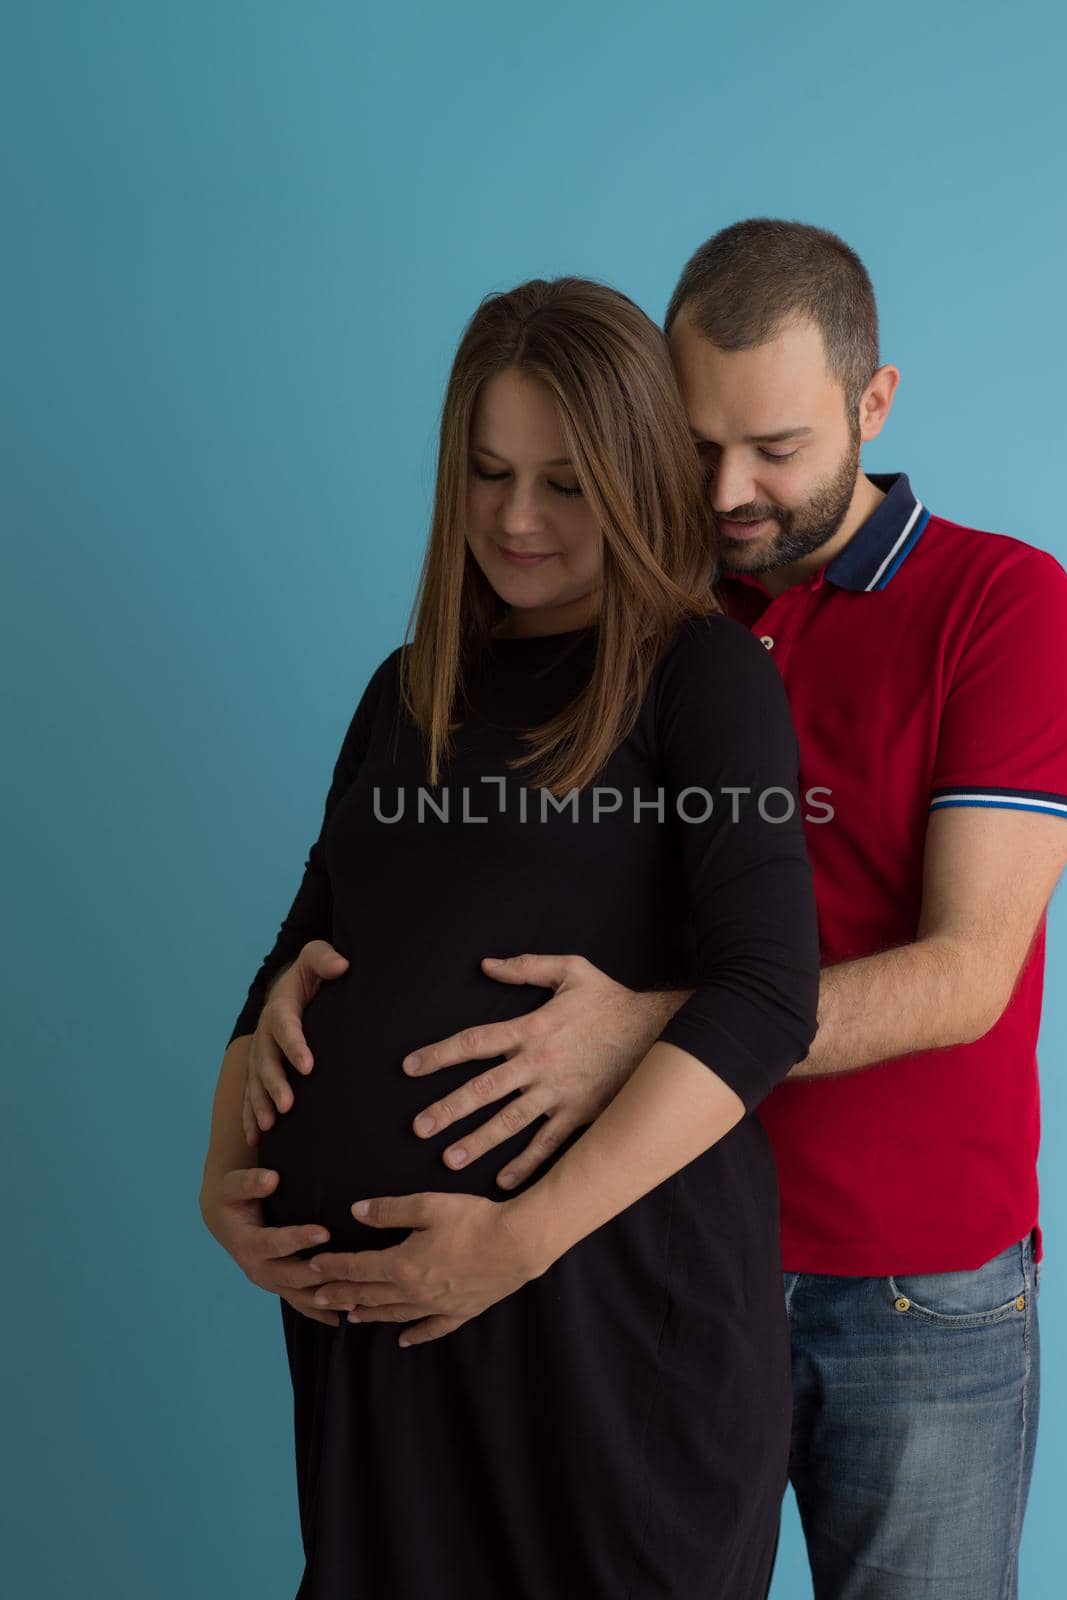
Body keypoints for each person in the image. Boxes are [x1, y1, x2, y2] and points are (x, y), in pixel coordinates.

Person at [243, 220, 1067, 1598]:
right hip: (651, 1249)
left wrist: (642, 1032)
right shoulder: (623, 610)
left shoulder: (992, 605)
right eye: (694, 445)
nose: (727, 489)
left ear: (874, 405)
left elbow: (964, 974)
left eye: (775, 448)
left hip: (906, 1280)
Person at [200, 275, 821, 1598]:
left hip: (607, 1339)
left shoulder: (705, 676)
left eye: (565, 481)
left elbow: (769, 995)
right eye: (487, 473)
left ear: (640, 474)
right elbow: (297, 950)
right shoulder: (409, 685)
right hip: (391, 1363)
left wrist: (516, 1240)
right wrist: (223, 1173)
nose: (519, 520)